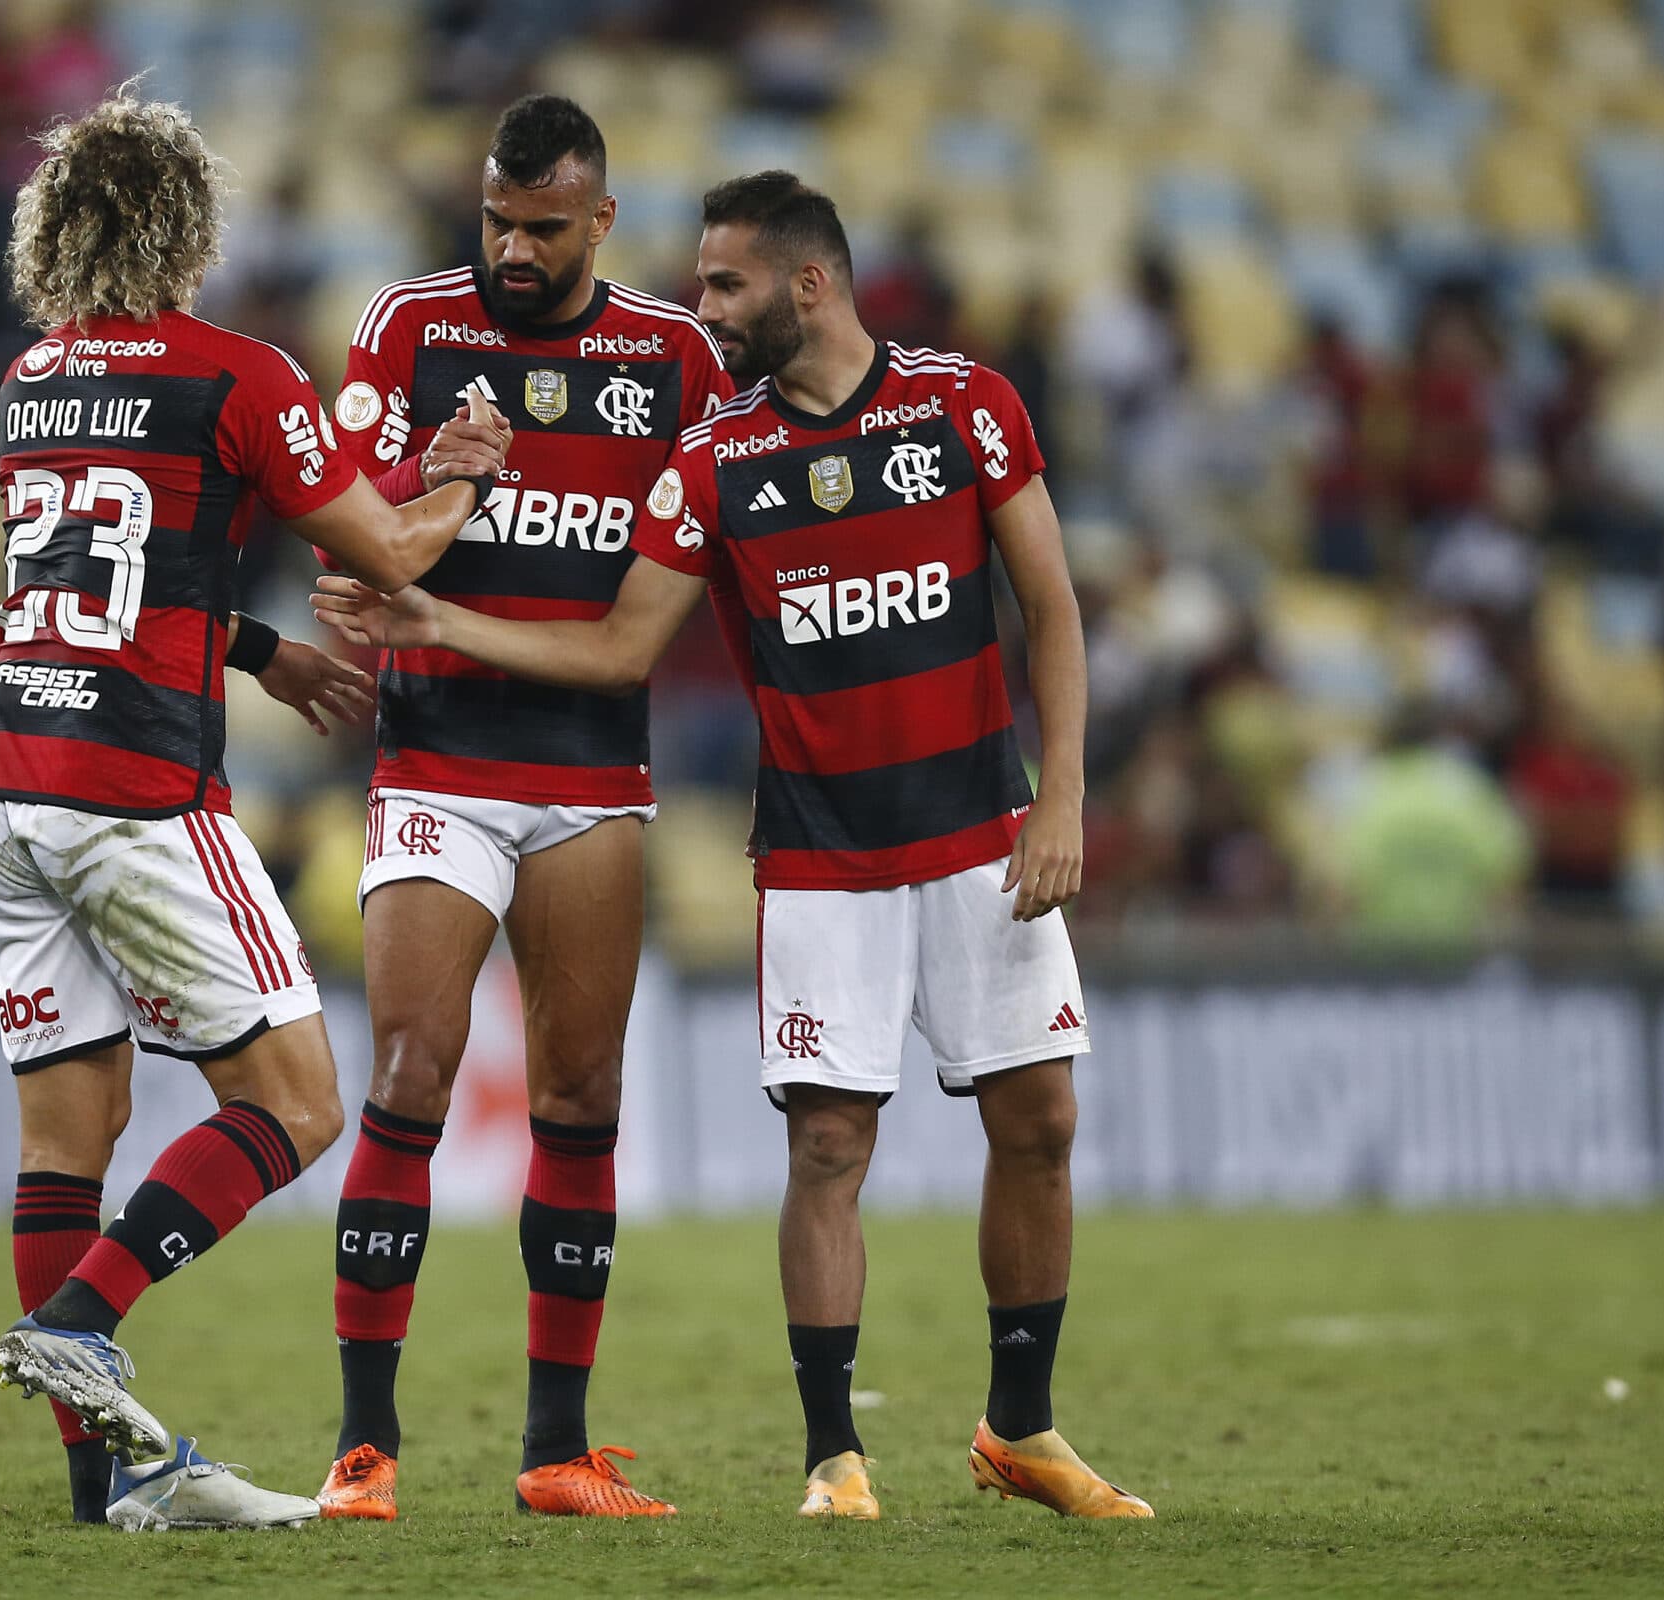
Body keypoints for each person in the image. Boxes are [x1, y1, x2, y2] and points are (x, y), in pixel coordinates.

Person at [316, 171, 1152, 1522]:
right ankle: (835, 1456)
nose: (703, 313)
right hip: (819, 854)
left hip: (983, 833)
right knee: (828, 1146)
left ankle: (1022, 1428)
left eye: (725, 285)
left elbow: (1051, 608)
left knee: (1041, 1123)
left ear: (808, 282)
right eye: (697, 287)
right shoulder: (714, 458)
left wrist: (1059, 801)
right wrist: (446, 628)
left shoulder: (963, 404)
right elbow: (622, 647)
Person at [0, 85, 511, 1532]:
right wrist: (459, 473)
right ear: (186, 229)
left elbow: (99, 587)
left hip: (8, 790)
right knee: (297, 1100)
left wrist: (262, 648)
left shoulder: (31, 383)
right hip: (136, 795)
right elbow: (390, 547)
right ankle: (85, 1321)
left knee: (63, 1142)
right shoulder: (233, 373)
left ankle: (100, 1496)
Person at [315, 94, 729, 1523]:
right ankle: (364, 1447)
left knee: (580, 1100)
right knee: (412, 1077)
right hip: (437, 766)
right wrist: (433, 485)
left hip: (592, 772)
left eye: (543, 230)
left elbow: (690, 575)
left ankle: (557, 1450)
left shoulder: (673, 360)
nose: (511, 250)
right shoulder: (410, 329)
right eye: (495, 221)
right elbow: (350, 547)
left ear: (600, 221)